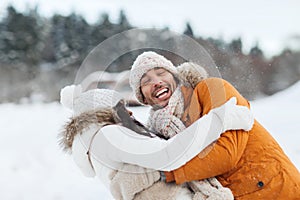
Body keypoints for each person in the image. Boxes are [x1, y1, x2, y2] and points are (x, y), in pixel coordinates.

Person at [127, 51, 300, 199]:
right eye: (146, 81)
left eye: (161, 73)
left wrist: (168, 173)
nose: (156, 82)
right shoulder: (158, 129)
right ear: (142, 97)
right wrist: (126, 126)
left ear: (175, 76)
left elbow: (226, 154)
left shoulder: (213, 89)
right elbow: (151, 154)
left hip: (276, 189)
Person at [59, 83, 253, 199]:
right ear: (103, 112)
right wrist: (219, 119)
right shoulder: (107, 135)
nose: (129, 112)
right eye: (120, 107)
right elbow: (167, 155)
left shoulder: (95, 145)